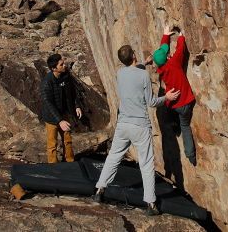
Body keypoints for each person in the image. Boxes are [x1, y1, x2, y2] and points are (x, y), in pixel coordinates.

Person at [92, 44, 180, 216]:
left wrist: (144, 63)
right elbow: (152, 102)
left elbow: (132, 73)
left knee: (113, 157)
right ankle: (150, 204)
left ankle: (99, 191)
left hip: (123, 125)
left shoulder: (120, 73)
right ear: (133, 55)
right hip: (140, 126)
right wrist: (167, 97)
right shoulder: (143, 75)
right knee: (146, 164)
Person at [147, 25, 198, 166]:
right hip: (186, 102)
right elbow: (180, 50)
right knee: (185, 126)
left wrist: (165, 35)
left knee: (168, 108)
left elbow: (162, 53)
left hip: (175, 104)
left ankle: (175, 127)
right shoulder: (174, 63)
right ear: (168, 57)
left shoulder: (161, 68)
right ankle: (190, 154)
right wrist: (181, 36)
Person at [41, 53, 82, 163]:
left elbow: (72, 93)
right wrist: (59, 120)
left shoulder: (66, 76)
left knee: (67, 140)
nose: (65, 65)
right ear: (54, 68)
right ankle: (53, 167)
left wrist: (77, 106)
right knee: (52, 144)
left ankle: (70, 162)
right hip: (51, 117)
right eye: (61, 64)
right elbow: (48, 103)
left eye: (64, 63)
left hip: (64, 113)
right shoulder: (47, 82)